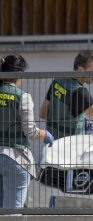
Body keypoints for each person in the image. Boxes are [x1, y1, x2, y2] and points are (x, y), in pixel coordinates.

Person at [0, 54, 54, 209]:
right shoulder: (23, 97)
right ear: (19, 73)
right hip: (15, 158)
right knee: (13, 212)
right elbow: (30, 131)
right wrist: (45, 134)